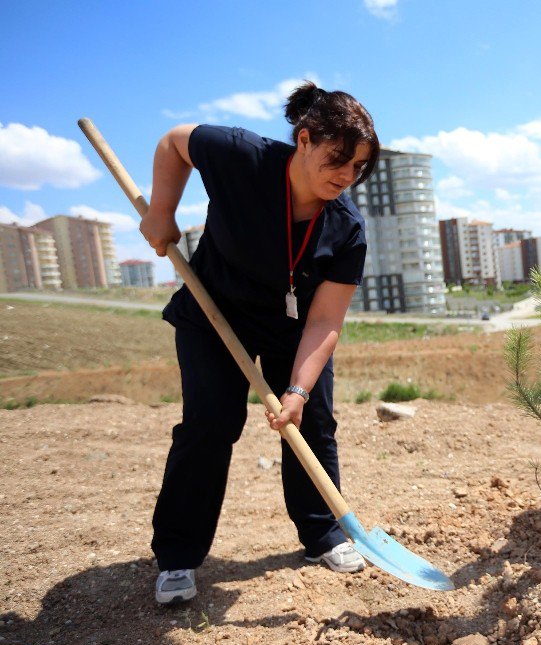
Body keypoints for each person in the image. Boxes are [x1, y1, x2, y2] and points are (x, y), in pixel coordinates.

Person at [140, 82, 380, 604]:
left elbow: (324, 321)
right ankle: (178, 557)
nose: (346, 177)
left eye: (358, 167)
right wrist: (163, 210)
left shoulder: (347, 227)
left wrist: (296, 389)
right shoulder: (241, 156)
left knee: (313, 419)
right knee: (210, 424)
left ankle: (323, 533)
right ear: (304, 139)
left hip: (293, 326)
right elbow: (174, 141)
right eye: (338, 159)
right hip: (214, 308)